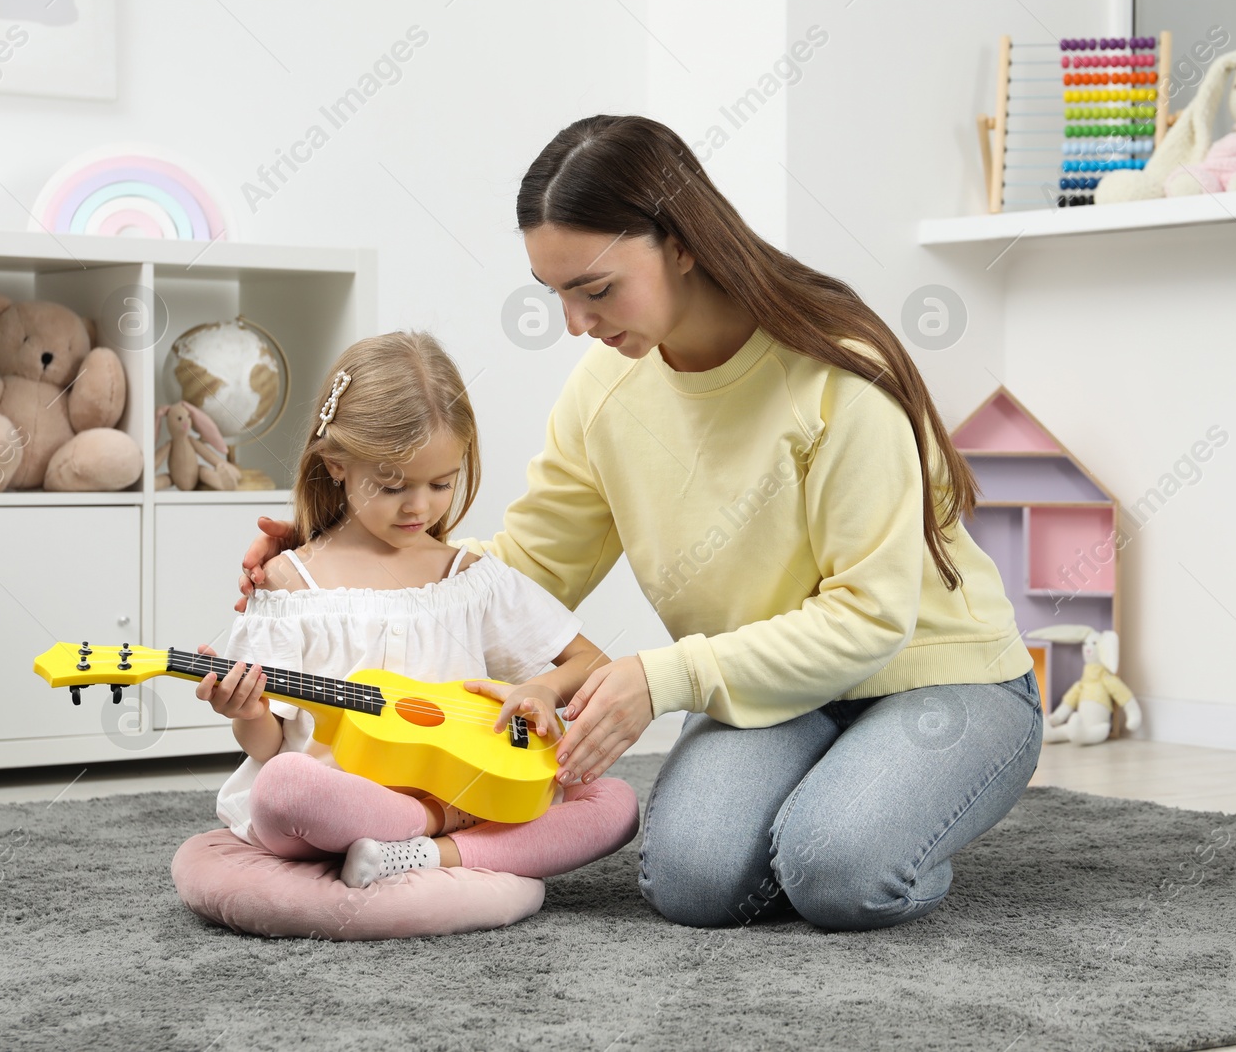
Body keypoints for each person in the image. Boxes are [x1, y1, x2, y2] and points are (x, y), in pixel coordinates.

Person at [238, 115, 1043, 931]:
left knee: (832, 869)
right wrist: (353, 560)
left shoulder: (839, 381)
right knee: (690, 883)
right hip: (777, 695)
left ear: (682, 243)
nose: (575, 323)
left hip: (937, 678)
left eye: (594, 289)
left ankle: (869, 821)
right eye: (555, 293)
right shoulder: (605, 394)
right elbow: (526, 565)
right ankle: (837, 796)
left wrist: (662, 680)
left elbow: (871, 617)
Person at [202, 330, 638, 891]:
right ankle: (434, 835)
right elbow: (268, 746)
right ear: (336, 464)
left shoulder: (468, 579)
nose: (420, 506)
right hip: (340, 798)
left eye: (441, 483)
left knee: (614, 801)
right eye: (391, 486)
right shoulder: (291, 585)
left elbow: (591, 663)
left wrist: (546, 690)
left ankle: (429, 853)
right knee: (284, 786)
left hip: (464, 789)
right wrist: (246, 713)